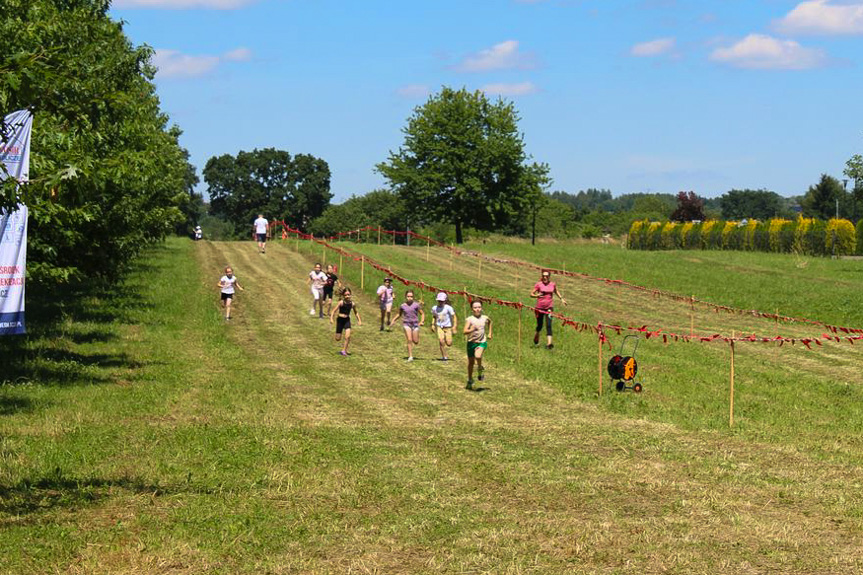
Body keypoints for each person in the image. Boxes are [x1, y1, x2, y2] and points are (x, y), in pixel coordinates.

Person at [530, 270, 567, 349]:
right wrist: (537, 295)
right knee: (540, 325)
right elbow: (531, 294)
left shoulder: (552, 284)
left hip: (549, 308)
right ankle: (537, 334)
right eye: (543, 276)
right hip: (539, 308)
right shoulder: (538, 284)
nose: (545, 277)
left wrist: (562, 299)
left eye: (546, 276)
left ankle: (549, 344)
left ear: (549, 277)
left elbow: (556, 291)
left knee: (549, 325)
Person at [463, 300, 492, 390]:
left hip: (482, 342)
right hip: (471, 343)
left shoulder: (485, 318)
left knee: (478, 356)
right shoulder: (470, 319)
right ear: (472, 309)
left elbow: (490, 322)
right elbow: (464, 331)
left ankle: (480, 367)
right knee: (471, 362)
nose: (477, 309)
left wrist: (490, 333)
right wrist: (471, 329)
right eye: (475, 307)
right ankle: (470, 379)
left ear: (481, 308)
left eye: (479, 307)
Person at [388, 290, 425, 361]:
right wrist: (393, 320)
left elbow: (422, 313)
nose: (409, 298)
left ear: (413, 297)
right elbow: (399, 314)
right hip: (406, 324)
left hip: (415, 324)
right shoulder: (403, 306)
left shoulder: (416, 305)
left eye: (411, 296)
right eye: (408, 296)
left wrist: (422, 321)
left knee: (416, 341)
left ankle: (416, 339)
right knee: (409, 339)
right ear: (405, 297)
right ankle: (410, 356)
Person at [330, 287, 362, 356]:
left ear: (351, 295)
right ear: (343, 296)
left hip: (347, 320)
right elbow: (333, 311)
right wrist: (331, 319)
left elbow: (356, 312)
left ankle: (344, 351)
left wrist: (359, 320)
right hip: (340, 320)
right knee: (337, 338)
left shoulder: (352, 304)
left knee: (348, 336)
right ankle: (342, 348)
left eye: (348, 295)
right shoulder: (341, 302)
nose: (347, 296)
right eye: (345, 295)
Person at [430, 292, 457, 361]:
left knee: (449, 343)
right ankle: (444, 356)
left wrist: (454, 326)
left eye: (442, 301)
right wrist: (432, 324)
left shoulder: (448, 308)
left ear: (445, 301)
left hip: (448, 327)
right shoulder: (434, 308)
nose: (440, 302)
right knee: (441, 341)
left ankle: (446, 339)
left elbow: (454, 317)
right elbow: (434, 316)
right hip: (439, 326)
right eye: (439, 301)